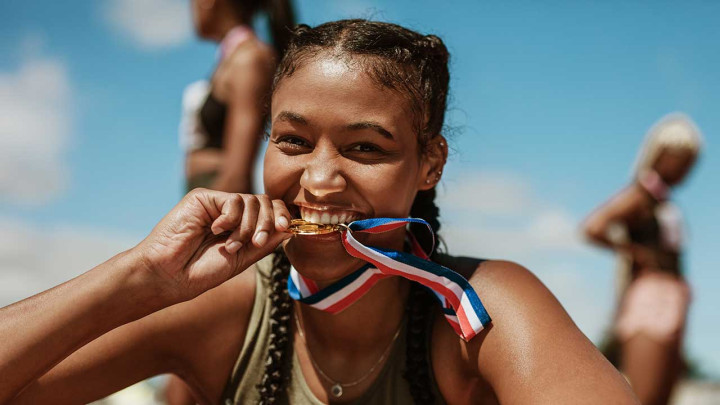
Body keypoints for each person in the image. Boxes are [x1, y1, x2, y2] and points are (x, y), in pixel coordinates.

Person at [1, 20, 637, 404]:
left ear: (430, 164)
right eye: (294, 142)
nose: (322, 180)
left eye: (366, 148)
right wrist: (140, 277)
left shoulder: (482, 310)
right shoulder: (221, 310)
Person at [583, 113, 703, 404]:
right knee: (644, 397)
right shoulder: (640, 195)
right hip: (651, 297)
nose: (684, 169)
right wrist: (635, 252)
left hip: (674, 296)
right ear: (659, 154)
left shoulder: (665, 202)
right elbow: (594, 226)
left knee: (663, 397)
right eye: (680, 158)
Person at [181, 0, 295, 192]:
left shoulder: (249, 58)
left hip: (219, 194)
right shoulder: (233, 58)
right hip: (207, 191)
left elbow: (238, 173)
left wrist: (216, 216)